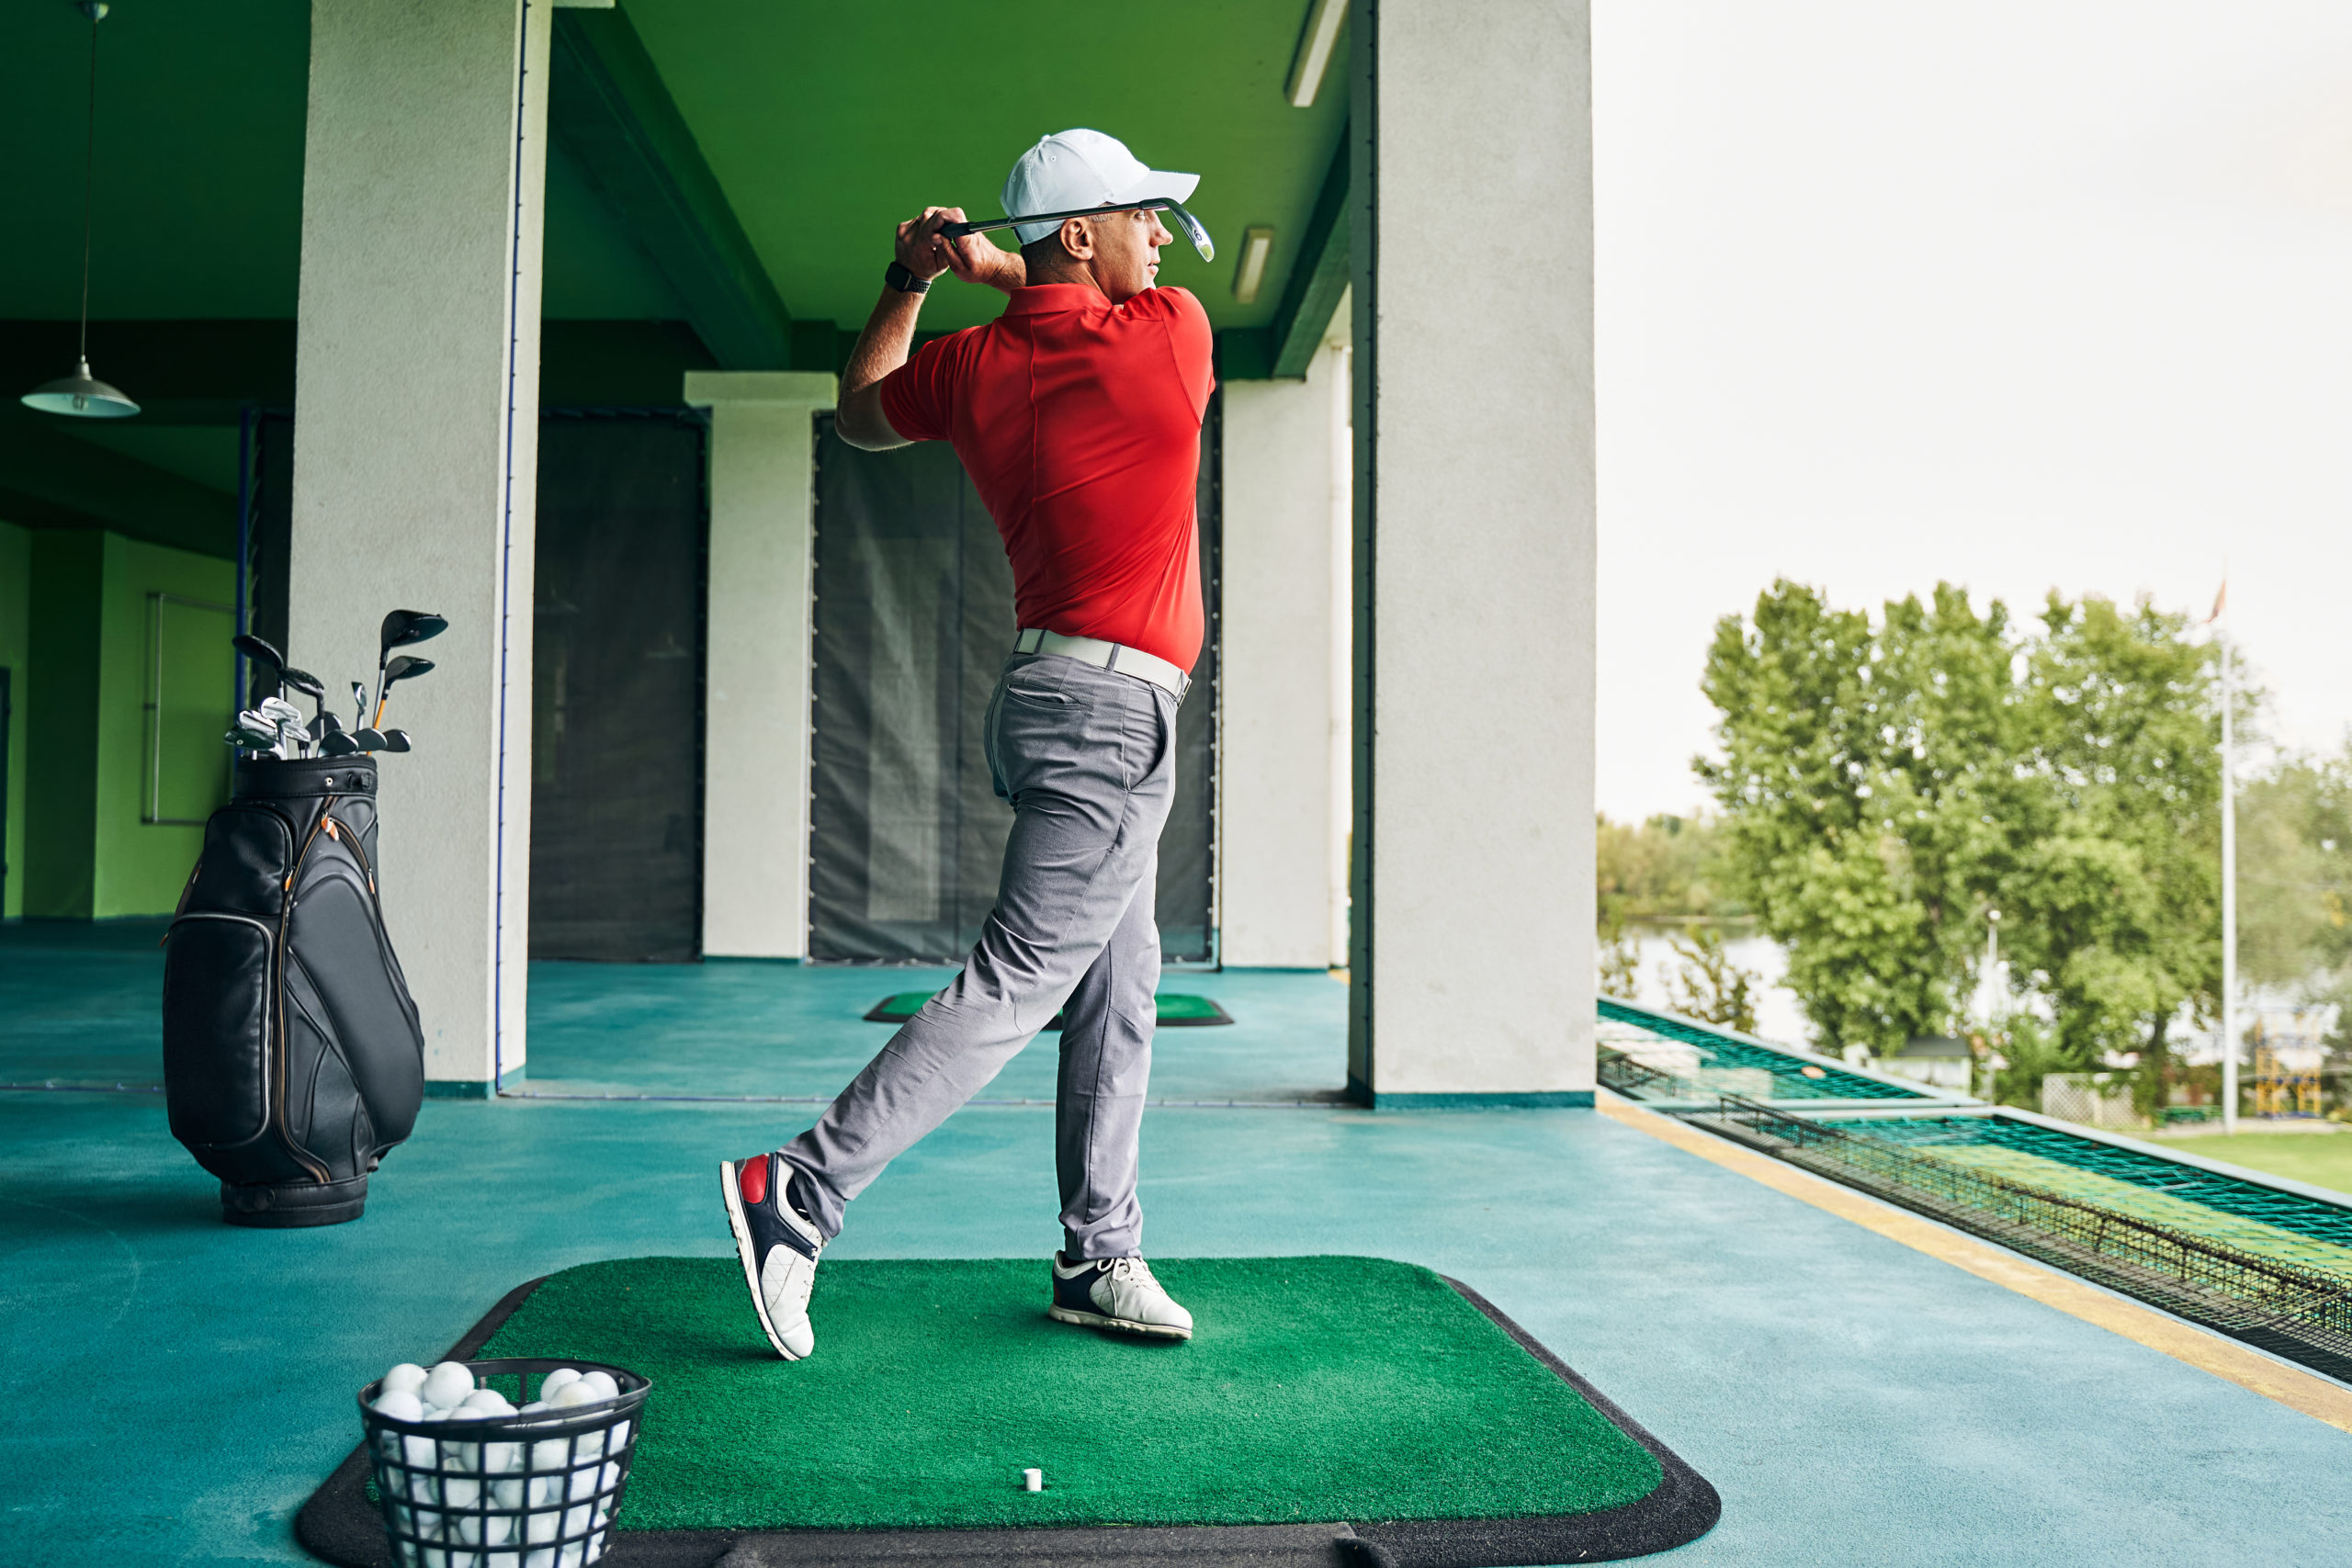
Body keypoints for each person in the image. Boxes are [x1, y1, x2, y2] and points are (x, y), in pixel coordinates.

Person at [717, 130, 1214, 1360]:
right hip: (1109, 720)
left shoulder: (972, 367)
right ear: (1084, 235)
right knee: (1019, 980)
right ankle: (801, 1190)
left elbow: (858, 414)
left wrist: (915, 279)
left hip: (1049, 699)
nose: (1162, 239)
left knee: (1121, 984)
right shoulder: (1172, 334)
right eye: (1145, 217)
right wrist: (997, 264)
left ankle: (1098, 1249)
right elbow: (1088, 291)